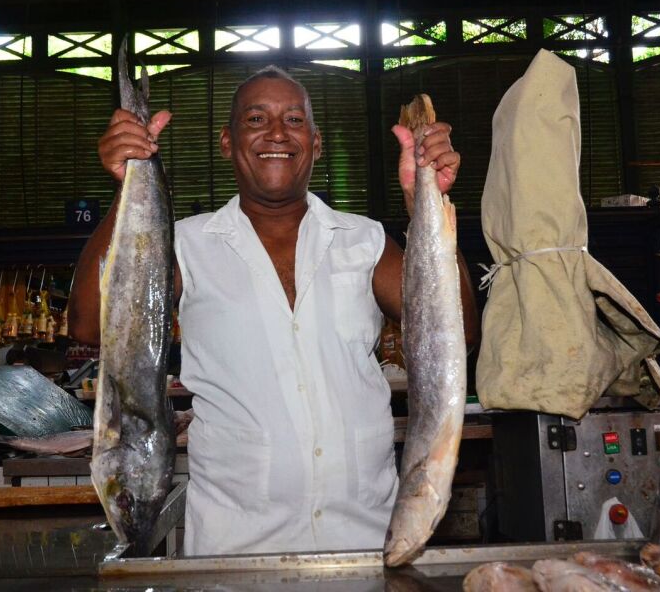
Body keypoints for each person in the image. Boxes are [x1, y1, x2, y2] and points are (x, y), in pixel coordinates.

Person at [69, 66, 479, 556]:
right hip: (232, 549)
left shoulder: (365, 240)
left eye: (294, 120)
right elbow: (90, 324)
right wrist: (127, 185)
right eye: (256, 119)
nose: (278, 133)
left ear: (317, 142)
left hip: (366, 539)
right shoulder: (185, 244)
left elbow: (460, 333)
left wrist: (425, 200)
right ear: (227, 142)